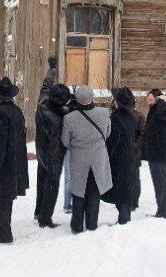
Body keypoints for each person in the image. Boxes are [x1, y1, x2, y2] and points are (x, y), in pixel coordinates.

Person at [0, 76, 29, 245]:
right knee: (6, 201)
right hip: (14, 164)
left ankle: (3, 236)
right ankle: (5, 233)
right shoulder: (17, 111)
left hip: (2, 166)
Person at [61, 85, 111, 234]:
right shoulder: (104, 113)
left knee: (78, 192)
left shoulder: (69, 118)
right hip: (98, 158)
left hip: (78, 160)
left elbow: (65, 141)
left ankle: (76, 225)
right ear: (92, 97)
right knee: (94, 192)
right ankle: (91, 224)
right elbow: (107, 133)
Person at [34, 56, 70, 228]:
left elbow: (46, 83)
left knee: (41, 180)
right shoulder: (58, 120)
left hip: (40, 149)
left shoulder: (43, 101)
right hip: (52, 154)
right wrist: (55, 164)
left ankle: (38, 211)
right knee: (51, 184)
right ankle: (45, 218)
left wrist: (52, 69)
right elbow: (58, 143)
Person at [102, 87, 138, 224]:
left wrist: (108, 156)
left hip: (119, 159)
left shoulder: (117, 119)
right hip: (128, 157)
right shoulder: (129, 116)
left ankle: (124, 219)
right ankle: (125, 217)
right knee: (125, 189)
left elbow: (113, 140)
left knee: (120, 190)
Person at [141, 88, 166, 219]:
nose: (148, 102)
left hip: (161, 152)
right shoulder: (156, 108)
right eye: (147, 99)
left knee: (161, 182)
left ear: (158, 99)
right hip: (155, 151)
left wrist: (161, 103)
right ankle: (161, 210)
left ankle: (164, 212)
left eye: (150, 99)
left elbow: (165, 119)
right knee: (158, 182)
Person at [131, 98, 146, 211]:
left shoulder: (139, 117)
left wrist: (136, 145)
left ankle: (134, 202)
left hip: (134, 152)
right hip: (130, 151)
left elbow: (143, 134)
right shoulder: (139, 116)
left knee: (135, 177)